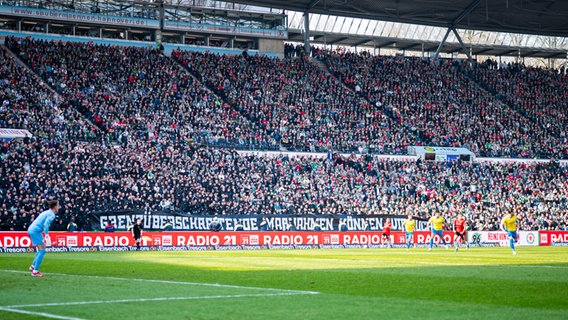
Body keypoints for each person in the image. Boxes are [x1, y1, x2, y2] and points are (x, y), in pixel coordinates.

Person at [27, 198, 60, 277]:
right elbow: (45, 225)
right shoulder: (51, 214)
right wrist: (47, 235)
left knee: (41, 249)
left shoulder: (47, 212)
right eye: (58, 205)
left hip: (33, 229)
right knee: (42, 251)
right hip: (35, 231)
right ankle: (35, 271)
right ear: (55, 206)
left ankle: (33, 266)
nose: (59, 207)